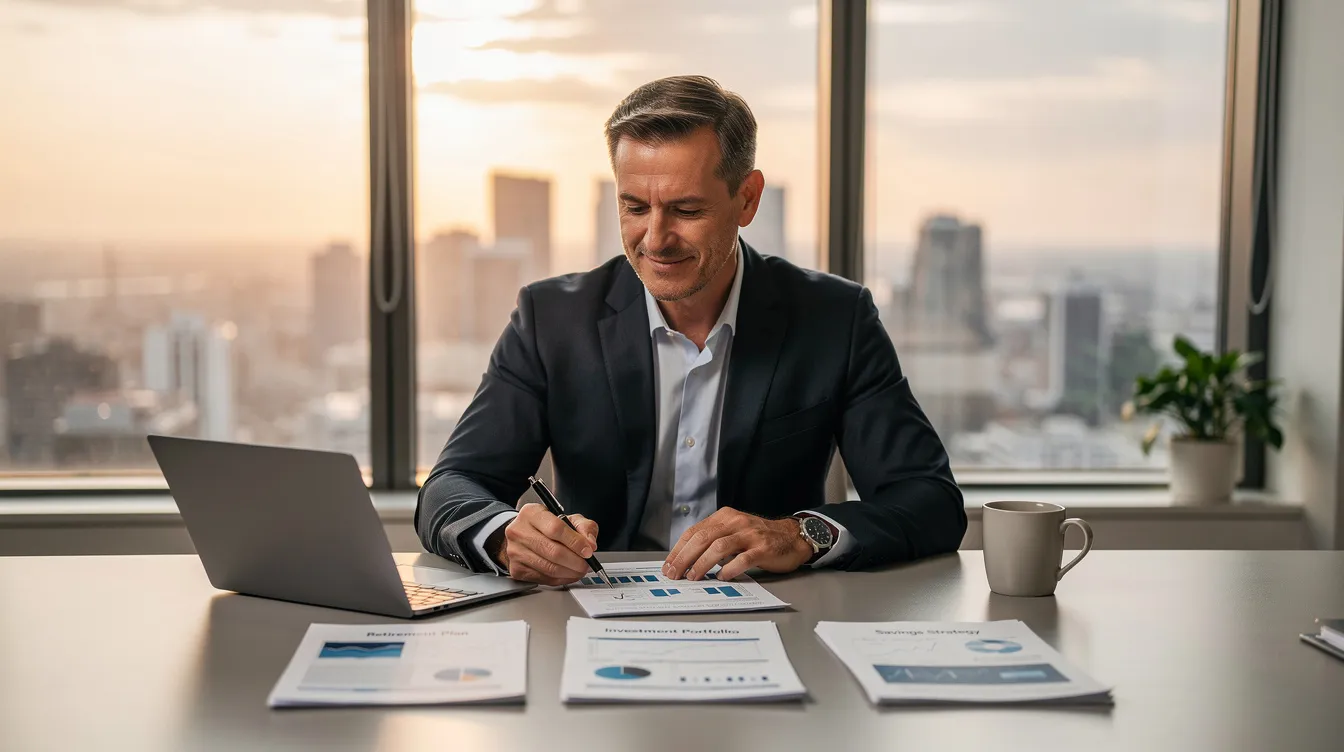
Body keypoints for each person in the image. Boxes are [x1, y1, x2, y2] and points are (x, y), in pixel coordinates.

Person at [415, 75, 965, 586]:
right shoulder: (551, 318)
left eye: (685, 209)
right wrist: (504, 536)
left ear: (746, 199)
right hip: (593, 611)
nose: (656, 239)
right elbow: (449, 488)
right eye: (634, 207)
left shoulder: (835, 318)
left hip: (776, 616)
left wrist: (801, 533)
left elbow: (930, 500)